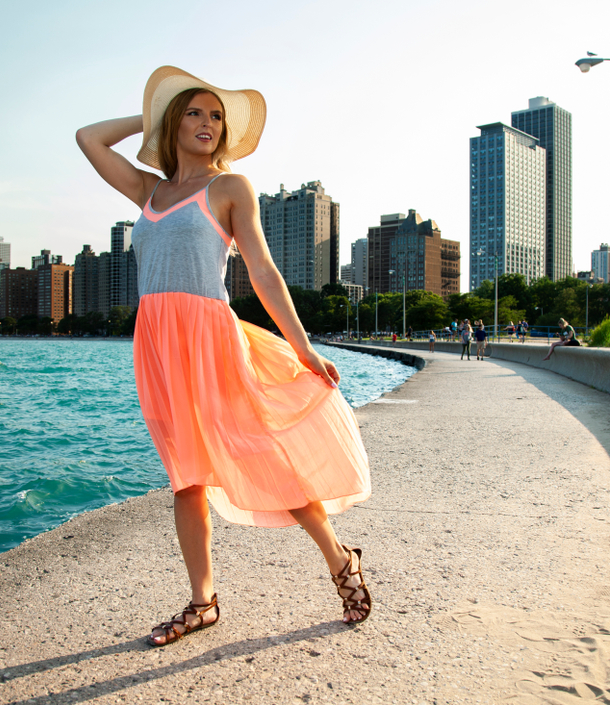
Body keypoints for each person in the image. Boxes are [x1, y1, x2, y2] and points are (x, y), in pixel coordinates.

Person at [77, 66, 371, 646]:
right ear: (173, 124)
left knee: (265, 454)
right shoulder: (149, 191)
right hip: (158, 344)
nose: (208, 123)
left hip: (211, 340)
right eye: (194, 112)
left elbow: (262, 270)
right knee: (186, 479)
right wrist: (153, 113)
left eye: (216, 116)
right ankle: (202, 601)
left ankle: (340, 557)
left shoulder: (229, 188)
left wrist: (303, 344)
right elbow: (89, 138)